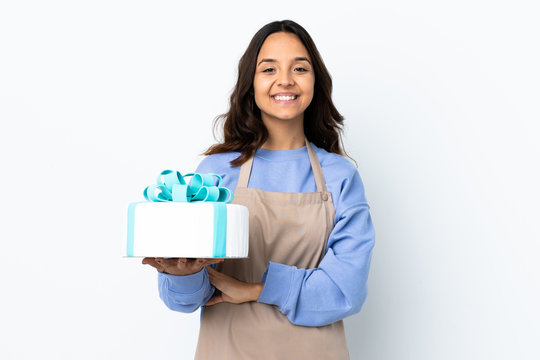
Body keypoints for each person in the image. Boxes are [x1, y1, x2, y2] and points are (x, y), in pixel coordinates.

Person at [142, 19, 375, 359]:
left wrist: (253, 290)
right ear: (251, 82)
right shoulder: (216, 173)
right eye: (269, 69)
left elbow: (345, 291)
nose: (285, 80)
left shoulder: (340, 176)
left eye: (300, 68)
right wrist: (184, 275)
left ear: (316, 82)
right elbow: (185, 301)